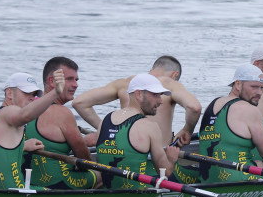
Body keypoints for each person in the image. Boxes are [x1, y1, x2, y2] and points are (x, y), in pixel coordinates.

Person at [73, 56, 201, 146]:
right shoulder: (171, 84)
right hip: (155, 159)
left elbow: (79, 103)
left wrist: (106, 130)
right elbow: (194, 107)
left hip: (124, 153)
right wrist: (187, 131)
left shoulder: (124, 83)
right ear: (174, 75)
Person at [198, 64, 263, 183]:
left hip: (207, 179)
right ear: (237, 84)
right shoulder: (249, 110)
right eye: (254, 87)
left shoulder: (212, 104)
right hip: (238, 180)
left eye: (261, 88)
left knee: (259, 164)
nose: (259, 93)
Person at [0, 70, 65, 189]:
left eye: (35, 94)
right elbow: (24, 116)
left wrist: (22, 146)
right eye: (27, 93)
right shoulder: (9, 111)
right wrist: (55, 92)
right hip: (14, 195)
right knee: (54, 190)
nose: (33, 98)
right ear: (9, 93)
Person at [23, 57, 101, 189]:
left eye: (76, 80)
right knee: (104, 174)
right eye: (69, 79)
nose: (75, 85)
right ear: (52, 81)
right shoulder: (63, 113)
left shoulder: (27, 108)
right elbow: (85, 160)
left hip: (27, 180)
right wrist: (85, 142)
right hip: (58, 182)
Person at [95, 73, 180, 189]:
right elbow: (165, 172)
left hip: (107, 191)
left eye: (160, 95)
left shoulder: (105, 120)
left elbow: (100, 161)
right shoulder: (150, 126)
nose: (160, 101)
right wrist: (171, 158)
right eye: (155, 95)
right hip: (136, 196)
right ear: (139, 94)